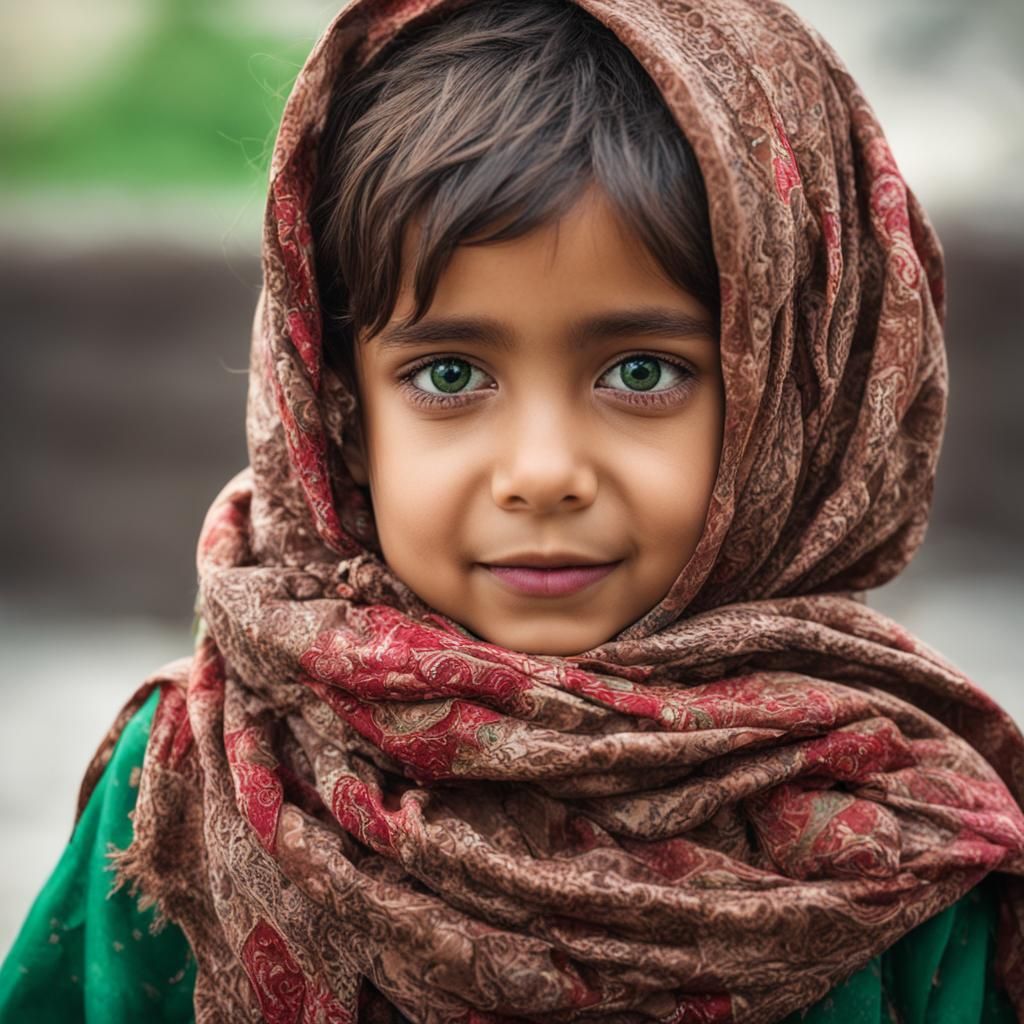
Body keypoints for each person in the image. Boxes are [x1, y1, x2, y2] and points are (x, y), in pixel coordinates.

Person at [2, 0, 1024, 1020]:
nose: (540, 473)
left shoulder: (901, 833)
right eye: (450, 373)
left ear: (793, 405)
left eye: (640, 370)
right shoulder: (205, 774)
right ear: (337, 408)